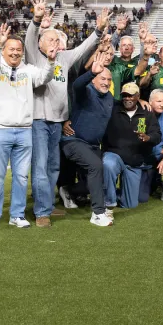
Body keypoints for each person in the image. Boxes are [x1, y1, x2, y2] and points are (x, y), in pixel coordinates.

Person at [26, 0, 108, 227]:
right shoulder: (34, 56)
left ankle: (49, 206)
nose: (54, 43)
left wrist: (98, 31)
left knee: (53, 165)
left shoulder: (63, 57)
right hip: (39, 121)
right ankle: (42, 211)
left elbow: (84, 47)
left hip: (58, 121)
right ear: (41, 43)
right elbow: (30, 38)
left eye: (56, 39)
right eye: (49, 39)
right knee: (41, 166)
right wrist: (37, 19)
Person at [0, 24, 56, 230]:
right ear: (4, 50)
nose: (15, 52)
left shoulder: (28, 69)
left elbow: (44, 77)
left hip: (24, 129)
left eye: (18, 50)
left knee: (22, 176)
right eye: (11, 49)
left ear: (22, 52)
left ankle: (17, 214)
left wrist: (51, 61)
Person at [60, 52, 115, 227]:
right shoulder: (86, 92)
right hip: (73, 141)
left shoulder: (109, 98)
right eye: (102, 78)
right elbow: (77, 85)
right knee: (96, 166)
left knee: (101, 173)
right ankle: (98, 213)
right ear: (93, 80)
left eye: (109, 79)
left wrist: (141, 100)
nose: (106, 82)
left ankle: (69, 189)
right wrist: (91, 72)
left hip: (92, 145)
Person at [102, 83, 161, 209]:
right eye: (125, 95)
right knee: (108, 164)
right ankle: (109, 202)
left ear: (138, 96)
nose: (128, 98)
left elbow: (157, 135)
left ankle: (112, 194)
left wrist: (148, 137)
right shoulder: (113, 109)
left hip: (135, 161)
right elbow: (102, 95)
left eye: (131, 95)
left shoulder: (147, 113)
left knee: (130, 204)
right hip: (115, 155)